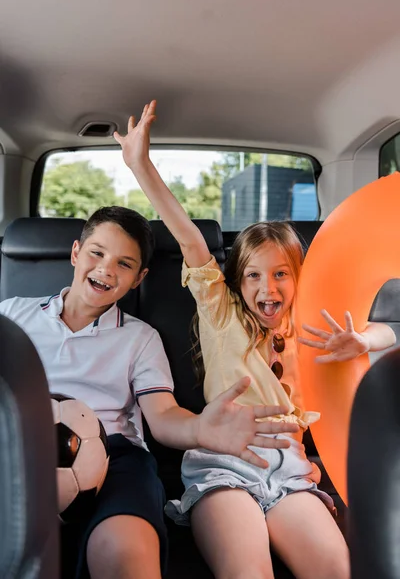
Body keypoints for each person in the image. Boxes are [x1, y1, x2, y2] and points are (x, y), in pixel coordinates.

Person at [114, 100, 396, 579]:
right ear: (235, 282)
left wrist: (364, 342)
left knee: (339, 569)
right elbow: (188, 238)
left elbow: (391, 330)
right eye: (254, 276)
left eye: (282, 274)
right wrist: (140, 164)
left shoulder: (311, 324)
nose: (268, 289)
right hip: (223, 465)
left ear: (299, 277)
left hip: (292, 473)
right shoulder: (222, 313)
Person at [0, 205, 300, 579]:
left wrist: (199, 430)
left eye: (124, 264)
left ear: (140, 278)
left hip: (116, 460)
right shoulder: (12, 315)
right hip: (18, 451)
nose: (107, 269)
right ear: (76, 253)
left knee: (126, 554)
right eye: (97, 253)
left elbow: (162, 416)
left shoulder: (140, 338)